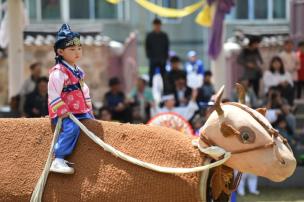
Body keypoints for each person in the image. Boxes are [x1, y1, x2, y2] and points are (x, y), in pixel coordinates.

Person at [48, 24, 94, 174]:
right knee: (72, 128)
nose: (77, 52)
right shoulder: (58, 72)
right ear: (60, 51)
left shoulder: (78, 71)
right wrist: (62, 111)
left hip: (80, 110)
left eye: (79, 48)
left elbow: (84, 89)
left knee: (92, 125)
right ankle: (58, 158)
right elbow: (53, 93)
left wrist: (89, 107)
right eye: (72, 49)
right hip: (66, 113)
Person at [145, 18, 169, 86]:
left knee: (164, 75)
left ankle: (165, 90)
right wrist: (150, 56)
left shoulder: (164, 35)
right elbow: (147, 47)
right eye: (155, 25)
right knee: (151, 75)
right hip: (153, 58)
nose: (157, 27)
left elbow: (166, 47)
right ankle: (150, 89)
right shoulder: (150, 35)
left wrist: (165, 57)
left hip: (162, 59)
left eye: (158, 25)